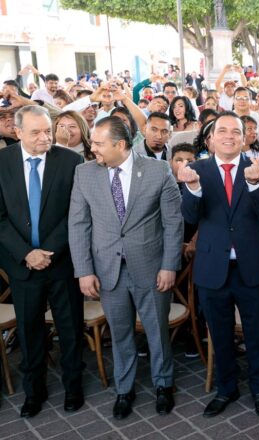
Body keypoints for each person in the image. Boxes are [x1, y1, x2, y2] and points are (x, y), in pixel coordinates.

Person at [68, 116, 183, 420]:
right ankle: (124, 389)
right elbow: (78, 225)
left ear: (120, 145)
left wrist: (170, 265)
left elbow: (173, 222)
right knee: (119, 333)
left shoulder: (158, 170)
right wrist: (84, 270)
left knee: (157, 331)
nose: (92, 148)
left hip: (152, 268)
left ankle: (163, 384)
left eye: (98, 143)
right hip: (108, 271)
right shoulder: (85, 173)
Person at [179, 112, 259, 419]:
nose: (229, 136)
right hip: (212, 266)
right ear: (211, 138)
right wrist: (193, 189)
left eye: (236, 131)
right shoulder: (196, 169)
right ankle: (226, 388)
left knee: (255, 332)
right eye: (222, 131)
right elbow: (191, 217)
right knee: (219, 333)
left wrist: (255, 183)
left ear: (245, 137)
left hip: (252, 265)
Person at [0, 106, 85, 418]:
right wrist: (26, 254)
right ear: (17, 132)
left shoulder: (71, 161)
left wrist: (47, 251)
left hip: (60, 262)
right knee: (29, 331)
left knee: (70, 328)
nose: (44, 137)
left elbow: (75, 215)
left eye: (47, 130)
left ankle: (73, 386)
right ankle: (33, 392)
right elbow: (0, 219)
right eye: (35, 132)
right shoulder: (2, 162)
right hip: (22, 266)